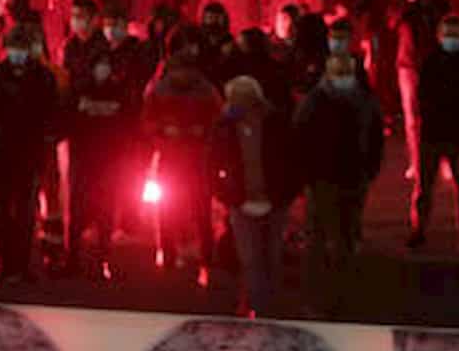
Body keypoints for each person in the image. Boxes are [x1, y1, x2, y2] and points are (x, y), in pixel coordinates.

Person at [293, 55, 383, 316]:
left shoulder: (363, 101)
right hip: (324, 179)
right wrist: (307, 176)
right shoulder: (316, 102)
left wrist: (370, 170)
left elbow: (375, 137)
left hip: (353, 178)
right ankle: (318, 298)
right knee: (320, 240)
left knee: (346, 237)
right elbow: (300, 140)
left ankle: (342, 297)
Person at [205, 76, 299, 317]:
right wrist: (227, 195)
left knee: (270, 256)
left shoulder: (276, 124)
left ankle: (266, 305)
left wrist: (286, 193)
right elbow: (212, 164)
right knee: (252, 257)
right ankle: (260, 306)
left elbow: (293, 161)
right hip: (243, 201)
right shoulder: (225, 128)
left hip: (273, 200)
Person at [143, 27, 222, 274]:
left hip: (195, 156)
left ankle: (204, 253)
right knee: (171, 207)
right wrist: (163, 134)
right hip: (173, 156)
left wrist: (202, 132)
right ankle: (170, 252)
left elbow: (217, 121)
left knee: (198, 208)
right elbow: (148, 121)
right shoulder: (162, 89)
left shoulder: (204, 91)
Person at [0, 26, 58, 284]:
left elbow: (50, 115)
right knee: (0, 212)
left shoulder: (42, 78)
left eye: (22, 48)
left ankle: (21, 266)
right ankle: (7, 263)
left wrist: (44, 145)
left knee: (25, 212)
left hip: (29, 152)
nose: (18, 53)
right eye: (14, 48)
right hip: (1, 153)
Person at [409, 14, 459, 253]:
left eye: (456, 34)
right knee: (424, 186)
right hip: (433, 133)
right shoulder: (431, 61)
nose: (452, 39)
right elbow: (422, 96)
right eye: (448, 34)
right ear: (439, 36)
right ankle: (419, 229)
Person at [65, 41, 137, 279]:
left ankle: (103, 257)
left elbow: (128, 123)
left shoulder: (119, 91)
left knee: (106, 209)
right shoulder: (79, 89)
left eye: (106, 64)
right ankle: (72, 257)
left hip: (109, 158)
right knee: (78, 208)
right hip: (84, 156)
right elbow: (69, 118)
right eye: (99, 64)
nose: (102, 69)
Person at [396, 0, 450, 181]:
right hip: (409, 65)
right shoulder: (406, 8)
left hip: (435, 65)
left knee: (439, 114)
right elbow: (392, 21)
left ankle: (442, 160)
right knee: (412, 117)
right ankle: (417, 161)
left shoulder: (441, 6)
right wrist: (407, 0)